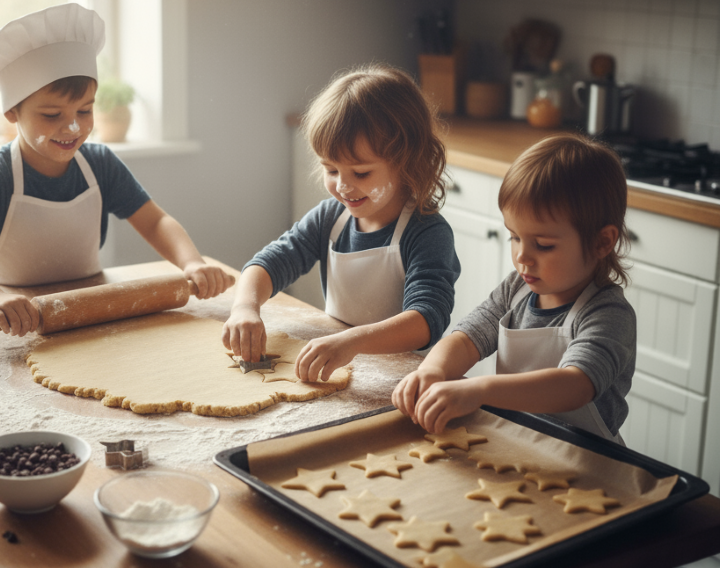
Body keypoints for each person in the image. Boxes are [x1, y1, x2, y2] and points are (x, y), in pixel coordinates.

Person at [0, 3, 232, 336]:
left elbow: (155, 221)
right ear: (12, 112)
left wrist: (191, 262)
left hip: (87, 309)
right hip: (18, 319)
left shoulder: (100, 164)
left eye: (85, 110)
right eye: (52, 115)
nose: (73, 127)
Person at [222, 64, 460, 382]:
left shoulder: (426, 233)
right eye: (332, 170)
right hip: (343, 365)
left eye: (360, 173)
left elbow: (425, 321)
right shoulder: (331, 219)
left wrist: (353, 341)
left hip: (403, 381)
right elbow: (269, 263)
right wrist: (245, 308)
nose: (343, 186)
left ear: (407, 163)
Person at [392, 133, 636, 443]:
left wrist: (479, 389)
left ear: (602, 242)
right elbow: (467, 339)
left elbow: (575, 385)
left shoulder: (608, 313)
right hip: (517, 441)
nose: (521, 256)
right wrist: (433, 370)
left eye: (543, 245)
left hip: (589, 461)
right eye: (515, 237)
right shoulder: (516, 290)